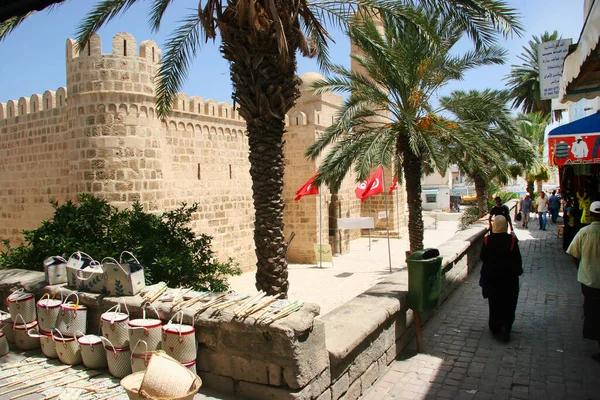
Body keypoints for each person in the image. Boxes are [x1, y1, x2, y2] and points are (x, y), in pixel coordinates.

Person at [566, 201, 600, 363]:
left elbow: (573, 253)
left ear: (591, 215)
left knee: (592, 311)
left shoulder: (584, 232)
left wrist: (581, 268)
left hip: (589, 279)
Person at [479, 216, 523, 342]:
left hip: (493, 277)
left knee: (495, 302)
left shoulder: (488, 240)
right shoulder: (512, 240)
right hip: (509, 278)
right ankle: (506, 325)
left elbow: (483, 257)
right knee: (509, 302)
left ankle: (495, 326)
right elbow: (517, 259)